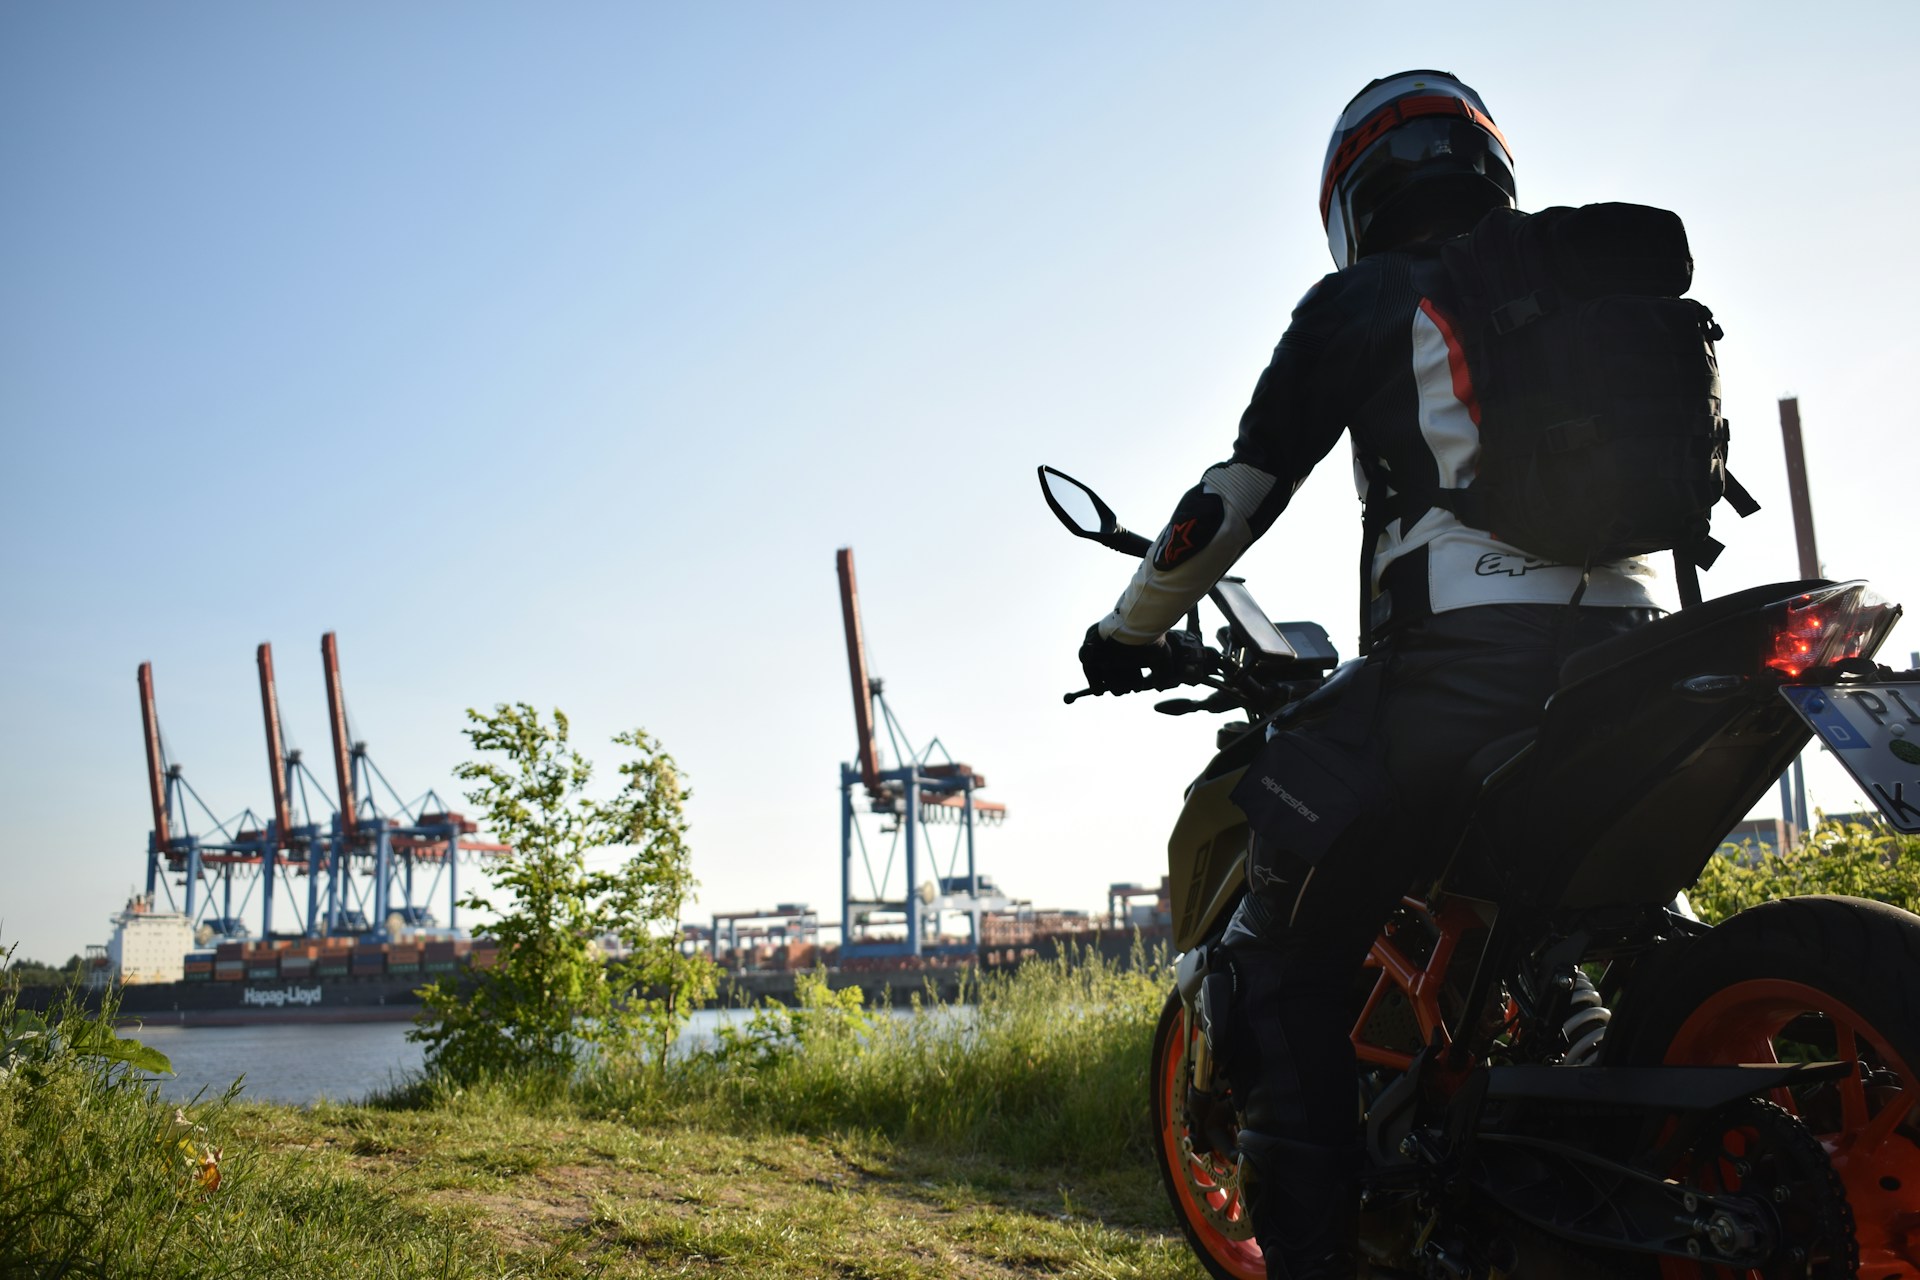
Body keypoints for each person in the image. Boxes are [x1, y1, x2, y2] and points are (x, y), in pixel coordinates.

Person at [1076, 71, 1662, 1279]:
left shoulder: (1369, 299)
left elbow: (1234, 497)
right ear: (1489, 167)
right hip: (1640, 656)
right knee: (1577, 925)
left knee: (1273, 960)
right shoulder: (1580, 287)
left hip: (1466, 668)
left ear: (1355, 195)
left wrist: (1127, 628)